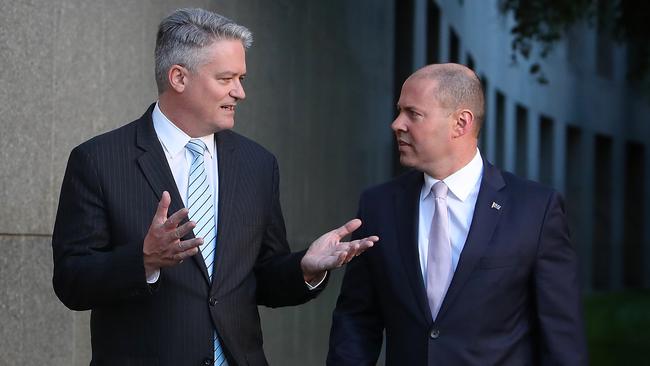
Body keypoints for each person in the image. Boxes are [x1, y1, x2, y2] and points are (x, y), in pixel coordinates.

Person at [52, 8, 377, 366]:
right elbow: (72, 282)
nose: (240, 92)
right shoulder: (98, 160)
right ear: (179, 77)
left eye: (241, 78)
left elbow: (262, 278)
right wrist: (143, 260)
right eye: (226, 78)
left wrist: (307, 268)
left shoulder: (257, 164)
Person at [327, 63, 587, 365]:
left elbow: (561, 338)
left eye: (413, 113)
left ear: (461, 123)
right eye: (399, 111)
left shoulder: (536, 210)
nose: (397, 124)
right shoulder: (378, 206)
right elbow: (357, 321)